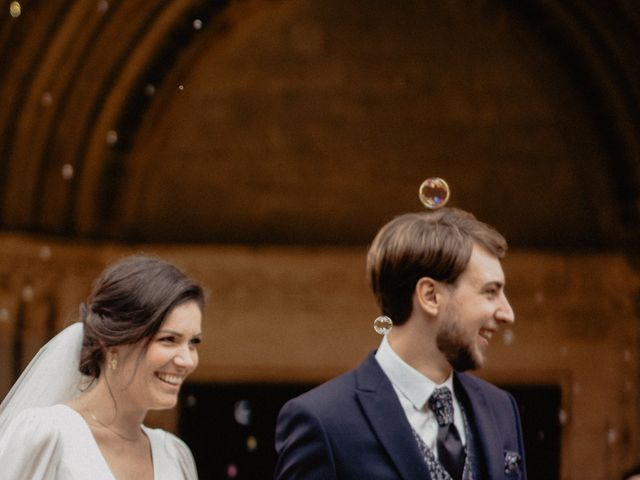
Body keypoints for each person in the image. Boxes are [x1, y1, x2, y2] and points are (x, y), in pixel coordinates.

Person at [274, 208, 527, 479]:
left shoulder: (500, 408)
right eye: (490, 292)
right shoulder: (323, 421)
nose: (507, 314)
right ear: (430, 296)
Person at [0, 255, 204, 479]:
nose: (187, 360)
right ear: (113, 342)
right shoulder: (47, 434)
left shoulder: (174, 454)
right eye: (168, 340)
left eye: (193, 342)